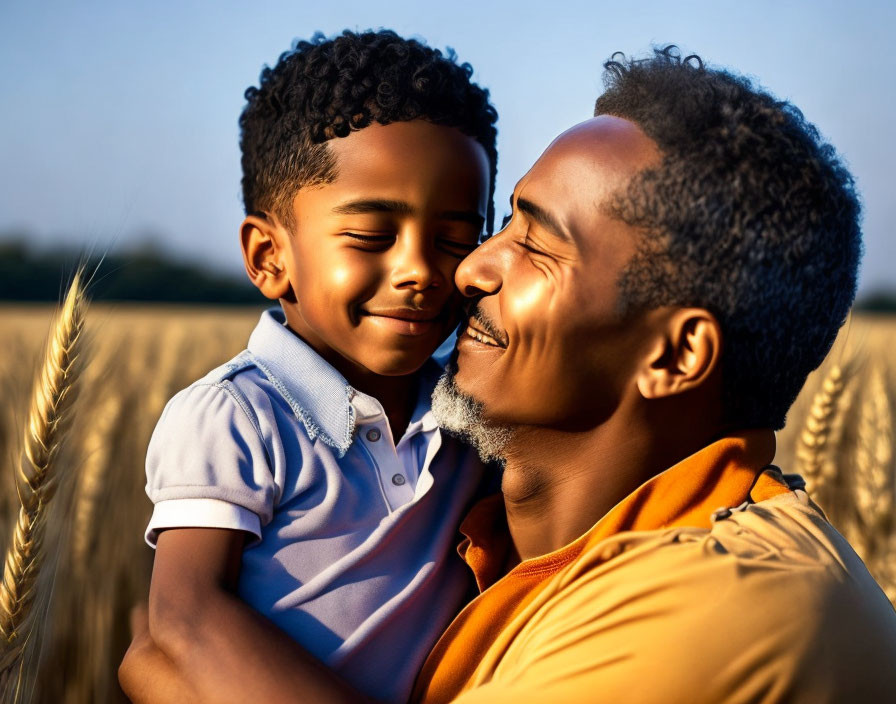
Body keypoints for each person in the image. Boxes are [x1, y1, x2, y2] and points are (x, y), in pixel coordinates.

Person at [123, 46, 896, 703]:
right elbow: (182, 623)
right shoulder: (500, 526)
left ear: (674, 357)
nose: (465, 272)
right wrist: (179, 642)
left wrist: (163, 666)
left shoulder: (711, 614)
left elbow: (167, 647)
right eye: (505, 225)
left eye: (537, 244)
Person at [119, 29, 498, 703]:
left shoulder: (472, 410)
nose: (418, 270)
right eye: (370, 237)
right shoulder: (236, 417)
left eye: (454, 240)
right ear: (270, 257)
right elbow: (183, 618)